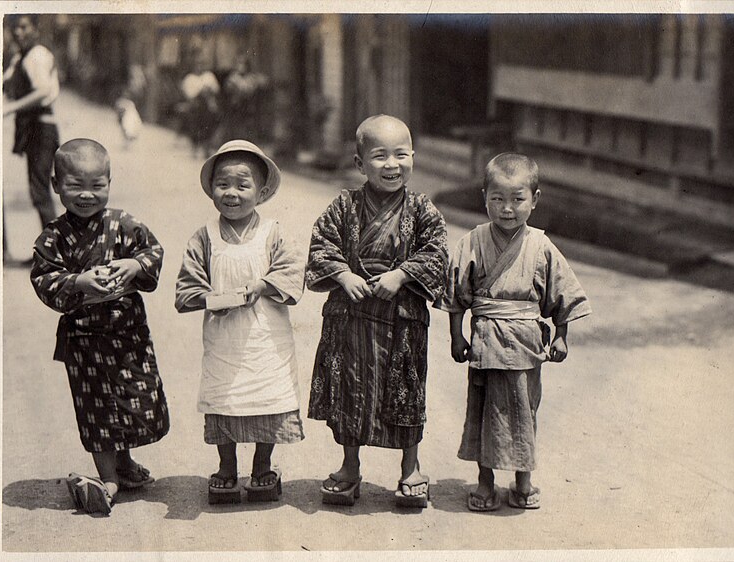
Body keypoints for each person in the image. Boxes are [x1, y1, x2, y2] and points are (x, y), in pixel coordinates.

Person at [436, 153, 592, 512]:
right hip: (486, 341)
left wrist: (561, 334)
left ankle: (523, 480)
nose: (507, 209)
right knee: (484, 410)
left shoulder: (541, 246)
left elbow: (561, 292)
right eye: (497, 199)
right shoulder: (473, 241)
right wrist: (456, 336)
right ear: (484, 197)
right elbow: (457, 294)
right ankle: (485, 480)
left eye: (517, 200)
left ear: (534, 200)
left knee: (524, 410)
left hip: (525, 343)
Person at [306, 115, 449, 508]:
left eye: (401, 155)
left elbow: (436, 251)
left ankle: (410, 468)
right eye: (380, 156)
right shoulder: (345, 205)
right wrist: (342, 274)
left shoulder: (421, 209)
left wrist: (402, 275)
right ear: (359, 163)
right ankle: (349, 468)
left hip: (401, 319)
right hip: (350, 317)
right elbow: (321, 245)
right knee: (349, 392)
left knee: (405, 391)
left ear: (413, 158)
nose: (392, 165)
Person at [30, 139, 170, 515]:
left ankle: (123, 463)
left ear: (110, 182)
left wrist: (135, 266)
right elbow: (44, 279)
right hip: (84, 339)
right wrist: (77, 282)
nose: (87, 195)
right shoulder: (53, 236)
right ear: (56, 183)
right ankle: (107, 479)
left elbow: (153, 251)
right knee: (96, 407)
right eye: (76, 185)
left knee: (132, 400)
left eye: (97, 185)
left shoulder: (124, 223)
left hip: (128, 334)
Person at [175, 140, 305, 505]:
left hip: (267, 336)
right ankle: (227, 468)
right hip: (224, 336)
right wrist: (209, 299)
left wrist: (263, 284)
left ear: (261, 193)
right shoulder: (204, 237)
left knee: (269, 396)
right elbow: (187, 285)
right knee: (223, 398)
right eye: (223, 184)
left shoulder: (274, 233)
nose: (231, 193)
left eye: (242, 185)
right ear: (211, 189)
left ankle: (263, 466)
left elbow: (293, 273)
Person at [2, 14, 61, 266]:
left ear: (35, 29)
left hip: (42, 129)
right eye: (15, 28)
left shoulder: (37, 54)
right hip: (33, 130)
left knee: (40, 193)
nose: (18, 32)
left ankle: (56, 256)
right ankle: (51, 254)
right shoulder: (21, 57)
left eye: (24, 27)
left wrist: (10, 107)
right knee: (38, 191)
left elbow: (44, 90)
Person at [176, 54, 220, 157]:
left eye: (201, 64)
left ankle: (207, 148)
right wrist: (200, 91)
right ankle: (194, 148)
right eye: (197, 64)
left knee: (210, 123)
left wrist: (209, 90)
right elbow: (188, 94)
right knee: (195, 123)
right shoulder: (190, 78)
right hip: (195, 106)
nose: (199, 67)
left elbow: (216, 90)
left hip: (208, 106)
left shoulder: (209, 76)